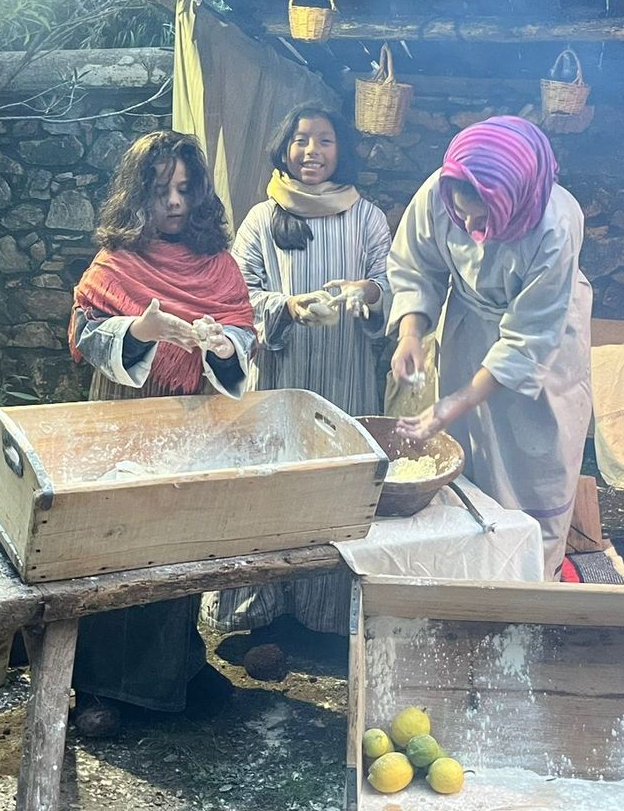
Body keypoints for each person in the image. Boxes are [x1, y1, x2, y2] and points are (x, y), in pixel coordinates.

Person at [68, 130, 256, 734]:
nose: (173, 202)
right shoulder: (115, 264)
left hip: (191, 421)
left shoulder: (219, 266)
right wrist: (139, 333)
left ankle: (176, 669)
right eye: (158, 190)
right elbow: (84, 335)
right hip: (123, 418)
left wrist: (226, 346)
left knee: (179, 541)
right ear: (135, 196)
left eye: (184, 189)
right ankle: (100, 687)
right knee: (119, 540)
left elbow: (242, 341)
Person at [210, 104, 392, 633]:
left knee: (344, 488)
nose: (312, 151)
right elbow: (238, 294)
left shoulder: (366, 216)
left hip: (349, 380)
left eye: (325, 140)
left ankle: (333, 616)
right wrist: (287, 308)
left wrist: (368, 290)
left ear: (343, 151)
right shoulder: (263, 218)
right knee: (278, 487)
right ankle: (263, 609)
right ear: (284, 148)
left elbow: (393, 283)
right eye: (301, 139)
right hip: (284, 379)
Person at [388, 116, 593, 578]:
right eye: (461, 215)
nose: (467, 225)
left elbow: (526, 339)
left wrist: (450, 405)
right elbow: (417, 266)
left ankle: (531, 585)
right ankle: (473, 574)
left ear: (513, 201)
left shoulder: (556, 226)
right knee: (471, 457)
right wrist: (410, 335)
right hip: (469, 326)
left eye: (481, 219)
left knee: (535, 459)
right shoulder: (443, 191)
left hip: (545, 346)